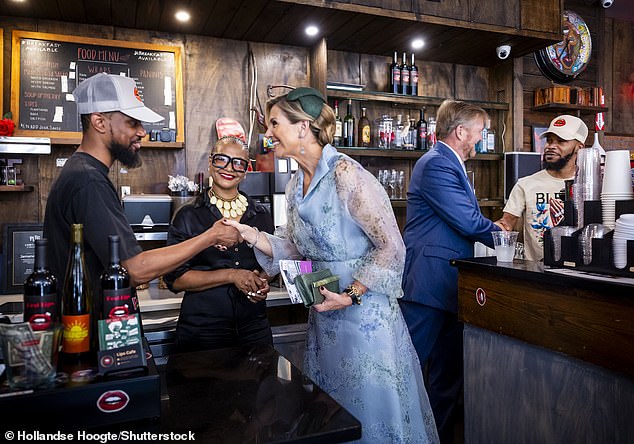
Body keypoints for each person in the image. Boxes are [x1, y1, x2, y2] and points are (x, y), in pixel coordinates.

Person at [224, 87, 439, 443]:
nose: (268, 133)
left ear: (303, 127)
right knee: (330, 414)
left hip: (364, 320)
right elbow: (294, 246)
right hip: (325, 320)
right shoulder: (296, 184)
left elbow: (391, 246)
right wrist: (250, 235)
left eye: (275, 123)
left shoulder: (346, 175)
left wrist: (351, 294)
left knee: (370, 416)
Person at [44, 73, 239, 302]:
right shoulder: (89, 181)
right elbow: (135, 270)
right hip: (88, 331)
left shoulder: (84, 172)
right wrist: (211, 236)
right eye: (132, 122)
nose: (142, 132)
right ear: (99, 122)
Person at [400, 99, 502, 444]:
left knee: (445, 382)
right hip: (427, 287)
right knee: (408, 375)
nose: (481, 140)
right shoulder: (436, 165)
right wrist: (508, 238)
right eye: (479, 132)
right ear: (461, 132)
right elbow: (468, 220)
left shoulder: (448, 164)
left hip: (448, 288)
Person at [164, 131, 275, 352]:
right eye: (221, 159)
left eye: (238, 163)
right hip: (203, 331)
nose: (229, 168)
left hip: (254, 328)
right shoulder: (188, 216)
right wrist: (232, 275)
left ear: (246, 171)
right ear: (210, 163)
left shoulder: (261, 214)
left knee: (260, 386)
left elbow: (271, 262)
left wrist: (262, 282)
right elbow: (175, 279)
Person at [497, 114, 588, 261]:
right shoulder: (525, 184)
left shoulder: (590, 186)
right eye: (549, 140)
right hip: (536, 274)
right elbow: (505, 225)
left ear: (579, 147)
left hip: (580, 272)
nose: (551, 146)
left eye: (561, 141)